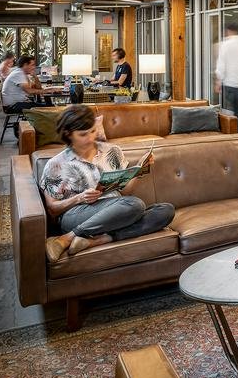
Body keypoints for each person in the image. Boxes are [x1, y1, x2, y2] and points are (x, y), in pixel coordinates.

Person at [40, 104, 174, 262]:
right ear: (68, 134)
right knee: (135, 205)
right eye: (83, 134)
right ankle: (68, 237)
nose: (90, 138)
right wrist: (79, 198)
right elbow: (52, 210)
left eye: (92, 131)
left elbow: (125, 193)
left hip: (116, 210)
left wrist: (139, 172)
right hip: (77, 215)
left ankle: (95, 240)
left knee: (165, 211)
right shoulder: (56, 164)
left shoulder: (112, 151)